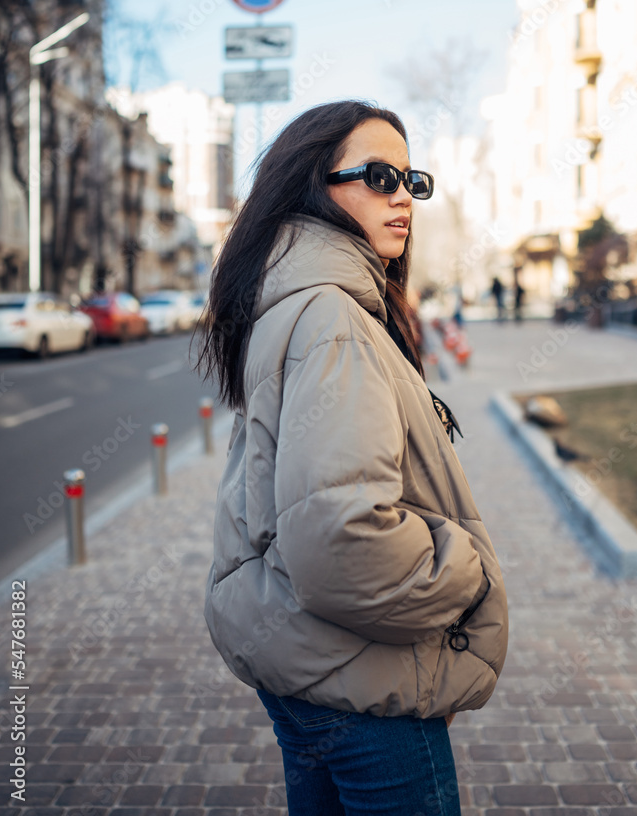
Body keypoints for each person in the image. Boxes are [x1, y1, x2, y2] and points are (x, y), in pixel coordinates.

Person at [199, 101, 509, 816]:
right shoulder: (333, 318)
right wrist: (464, 568)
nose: (403, 195)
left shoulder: (301, 301)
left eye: (410, 179)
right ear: (312, 185)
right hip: (363, 686)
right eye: (377, 176)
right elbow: (341, 538)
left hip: (306, 670)